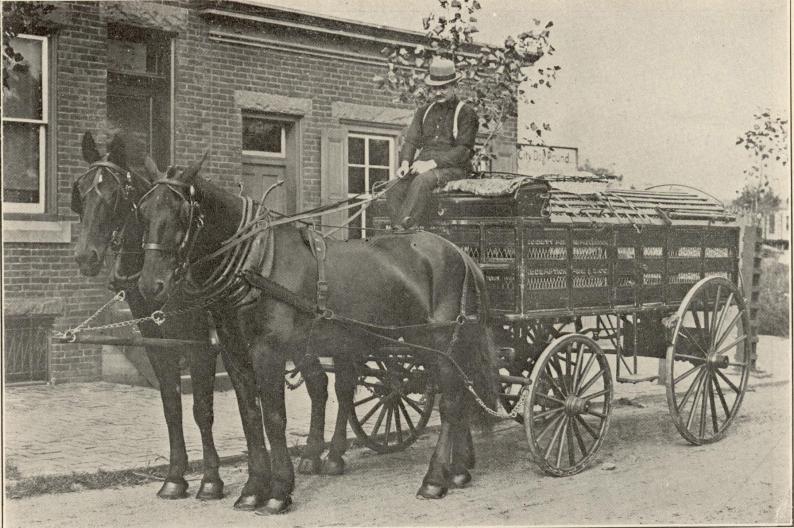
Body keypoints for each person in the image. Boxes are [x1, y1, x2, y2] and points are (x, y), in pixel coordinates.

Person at [387, 57, 479, 229]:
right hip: (424, 167)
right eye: (434, 88)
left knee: (422, 181)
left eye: (443, 88)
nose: (438, 93)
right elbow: (410, 141)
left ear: (455, 87)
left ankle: (403, 230)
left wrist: (431, 163)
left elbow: (463, 151)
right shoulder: (423, 112)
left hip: (454, 168)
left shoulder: (466, 113)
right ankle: (398, 228)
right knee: (393, 186)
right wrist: (405, 163)